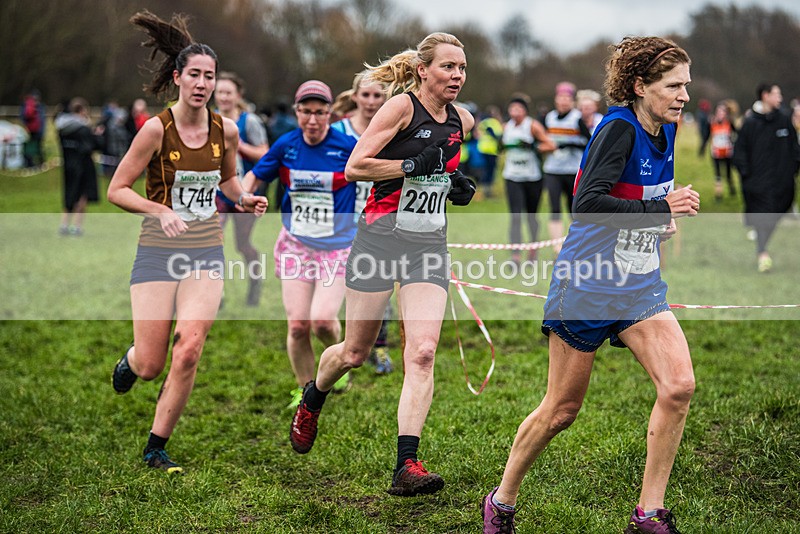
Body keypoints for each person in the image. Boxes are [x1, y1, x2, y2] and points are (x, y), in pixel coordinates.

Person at [482, 36, 700, 534]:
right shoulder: (617, 129)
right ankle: (502, 498)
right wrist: (658, 210)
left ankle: (648, 514)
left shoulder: (665, 128)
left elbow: (638, 200)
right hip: (587, 284)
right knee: (561, 410)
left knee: (679, 386)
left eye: (685, 85)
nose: (684, 95)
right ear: (641, 86)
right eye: (673, 86)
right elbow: (588, 205)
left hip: (639, 286)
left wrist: (656, 222)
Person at [288, 32, 476, 498]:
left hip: (428, 244)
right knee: (353, 354)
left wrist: (453, 183)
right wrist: (412, 166)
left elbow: (441, 166)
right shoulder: (400, 109)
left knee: (424, 351)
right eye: (448, 67)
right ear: (423, 71)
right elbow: (356, 166)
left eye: (462, 68)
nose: (457, 76)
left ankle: (406, 463)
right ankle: (314, 397)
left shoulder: (463, 120)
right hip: (379, 240)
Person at [107, 10, 267, 474]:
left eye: (209, 76)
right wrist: (160, 210)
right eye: (194, 74)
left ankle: (157, 445)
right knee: (152, 363)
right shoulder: (156, 130)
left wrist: (245, 200)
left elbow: (231, 181)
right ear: (177, 78)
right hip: (157, 252)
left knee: (191, 346)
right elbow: (117, 190)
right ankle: (132, 359)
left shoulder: (227, 131)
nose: (201, 83)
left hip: (205, 252)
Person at [241, 80, 358, 406]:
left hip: (337, 246)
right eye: (306, 112)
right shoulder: (286, 144)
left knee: (322, 320)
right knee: (297, 326)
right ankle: (307, 392)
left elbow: (374, 169)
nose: (312, 120)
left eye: (319, 113)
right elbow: (256, 174)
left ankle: (340, 358)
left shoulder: (346, 145)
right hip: (296, 244)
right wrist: (247, 194)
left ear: (329, 113)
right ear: (296, 113)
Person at [331, 70, 395, 375]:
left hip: (379, 220)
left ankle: (379, 346)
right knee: (348, 285)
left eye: (378, 95)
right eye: (366, 95)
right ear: (355, 96)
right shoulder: (339, 132)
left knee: (383, 283)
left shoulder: (395, 129)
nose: (371, 102)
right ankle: (349, 342)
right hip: (342, 220)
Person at [213, 71, 269, 306]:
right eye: (220, 92)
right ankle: (217, 291)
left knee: (241, 244)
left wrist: (240, 145)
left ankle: (255, 281)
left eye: (228, 92)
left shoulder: (250, 121)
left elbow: (265, 154)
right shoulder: (209, 119)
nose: (223, 97)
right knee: (213, 238)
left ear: (238, 95)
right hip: (216, 190)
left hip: (245, 191)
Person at [733, 83, 800, 273]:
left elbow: (795, 149)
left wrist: (793, 169)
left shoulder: (785, 119)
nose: (780, 97)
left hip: (783, 185)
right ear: (765, 95)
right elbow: (739, 152)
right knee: (764, 216)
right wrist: (747, 174)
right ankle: (762, 253)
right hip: (758, 185)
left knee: (774, 215)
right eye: (776, 94)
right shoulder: (750, 122)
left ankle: (760, 242)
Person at [501, 95, 556, 264]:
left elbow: (551, 145)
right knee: (515, 216)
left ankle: (533, 249)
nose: (515, 112)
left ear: (525, 111)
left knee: (531, 217)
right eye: (512, 109)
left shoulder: (532, 125)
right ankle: (515, 256)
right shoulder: (506, 127)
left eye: (519, 109)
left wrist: (534, 146)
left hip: (532, 178)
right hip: (512, 176)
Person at [542, 81, 592, 252]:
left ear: (572, 101)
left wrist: (569, 146)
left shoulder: (577, 119)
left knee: (574, 209)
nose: (563, 101)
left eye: (567, 98)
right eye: (560, 98)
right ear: (556, 99)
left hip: (573, 171)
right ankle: (557, 247)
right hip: (553, 170)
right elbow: (541, 139)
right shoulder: (548, 118)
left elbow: (590, 143)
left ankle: (575, 245)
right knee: (554, 208)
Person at [55, 97, 102, 236]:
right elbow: (93, 146)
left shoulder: (62, 128)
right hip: (83, 166)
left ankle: (64, 225)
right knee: (82, 195)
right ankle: (76, 226)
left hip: (68, 165)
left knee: (68, 194)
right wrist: (97, 135)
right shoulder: (83, 129)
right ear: (82, 110)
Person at [709, 101, 737, 201]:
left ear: (725, 113)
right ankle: (718, 195)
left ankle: (732, 189)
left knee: (728, 173)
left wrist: (733, 142)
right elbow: (707, 136)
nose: (720, 114)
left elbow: (737, 134)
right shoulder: (712, 123)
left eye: (722, 112)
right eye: (719, 111)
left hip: (727, 153)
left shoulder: (729, 123)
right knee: (718, 174)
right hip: (716, 153)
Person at [476, 105, 504, 198]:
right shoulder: (495, 122)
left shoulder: (483, 122)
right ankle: (488, 192)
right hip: (491, 150)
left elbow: (477, 134)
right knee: (491, 171)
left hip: (482, 149)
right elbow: (499, 135)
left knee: (484, 171)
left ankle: (484, 191)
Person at [20, 89, 46, 167]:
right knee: (36, 148)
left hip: (31, 130)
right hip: (36, 131)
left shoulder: (26, 105)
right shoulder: (39, 106)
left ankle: (30, 164)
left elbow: (22, 117)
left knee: (31, 147)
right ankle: (38, 164)